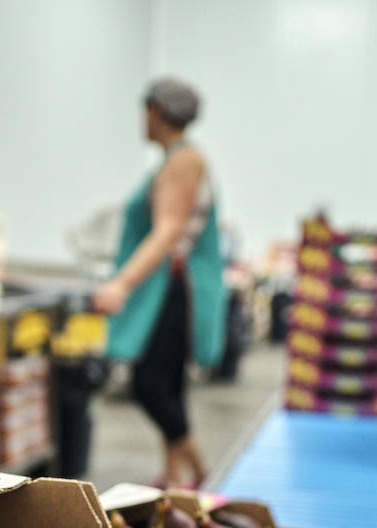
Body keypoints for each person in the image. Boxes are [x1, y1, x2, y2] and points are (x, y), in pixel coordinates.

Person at [93, 77, 228, 488]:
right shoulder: (175, 158)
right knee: (168, 384)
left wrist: (122, 283)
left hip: (174, 289)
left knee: (150, 385)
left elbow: (168, 231)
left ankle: (199, 470)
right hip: (172, 287)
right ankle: (174, 475)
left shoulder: (183, 160)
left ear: (155, 111)